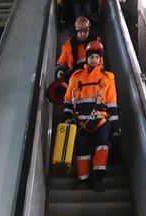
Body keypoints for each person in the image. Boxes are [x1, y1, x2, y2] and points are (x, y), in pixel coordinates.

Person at [61, 44, 119, 190]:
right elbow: (68, 99)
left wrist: (115, 125)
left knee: (102, 145)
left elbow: (111, 102)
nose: (94, 60)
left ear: (100, 59)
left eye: (97, 57)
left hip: (101, 120)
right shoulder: (76, 77)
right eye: (91, 57)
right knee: (82, 149)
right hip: (81, 122)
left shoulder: (108, 78)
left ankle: (98, 178)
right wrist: (67, 116)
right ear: (87, 58)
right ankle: (83, 179)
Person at [55, 17, 100, 86]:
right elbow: (61, 63)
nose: (83, 34)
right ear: (76, 30)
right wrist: (60, 71)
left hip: (93, 81)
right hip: (74, 82)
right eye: (80, 31)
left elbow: (100, 63)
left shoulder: (96, 43)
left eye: (85, 30)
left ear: (89, 29)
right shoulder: (68, 46)